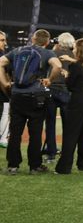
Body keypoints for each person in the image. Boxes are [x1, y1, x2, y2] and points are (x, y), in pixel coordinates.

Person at [0, 29, 62, 174]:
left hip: (17, 96)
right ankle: (35, 166)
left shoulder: (17, 50)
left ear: (33, 39)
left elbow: (1, 62)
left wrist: (4, 83)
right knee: (35, 133)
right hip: (36, 97)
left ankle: (12, 166)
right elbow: (58, 66)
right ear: (47, 42)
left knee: (15, 133)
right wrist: (49, 80)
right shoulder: (47, 53)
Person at [55, 39, 83, 175]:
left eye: (74, 49)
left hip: (78, 100)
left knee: (71, 134)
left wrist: (67, 75)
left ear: (78, 50)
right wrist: (72, 61)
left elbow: (70, 86)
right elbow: (82, 67)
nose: (73, 51)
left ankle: (64, 167)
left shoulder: (76, 66)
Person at [42, 32, 75, 162]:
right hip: (65, 91)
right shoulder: (71, 55)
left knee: (50, 123)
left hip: (51, 90)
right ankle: (67, 153)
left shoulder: (49, 54)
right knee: (68, 124)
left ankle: (51, 153)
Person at [0, 31, 9, 148]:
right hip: (2, 92)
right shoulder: (2, 56)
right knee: (5, 113)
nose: (5, 43)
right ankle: (3, 138)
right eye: (2, 40)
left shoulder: (3, 53)